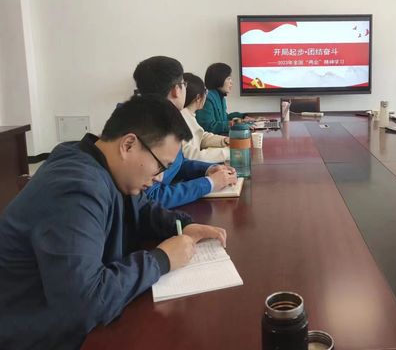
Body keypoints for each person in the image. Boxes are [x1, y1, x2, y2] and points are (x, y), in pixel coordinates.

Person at [0, 95, 228, 349]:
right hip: (37, 337)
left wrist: (184, 225)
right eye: (160, 166)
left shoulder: (102, 164)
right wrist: (161, 259)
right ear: (128, 145)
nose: (159, 178)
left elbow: (142, 209)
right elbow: (83, 304)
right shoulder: (74, 187)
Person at [133, 56, 237, 208]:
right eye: (184, 84)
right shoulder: (149, 132)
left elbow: (178, 164)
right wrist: (209, 183)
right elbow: (150, 198)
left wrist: (207, 169)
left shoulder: (166, 119)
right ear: (176, 90)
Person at [181, 72, 230, 163]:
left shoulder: (189, 114)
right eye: (205, 92)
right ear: (198, 98)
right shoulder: (181, 117)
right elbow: (190, 156)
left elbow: (201, 137)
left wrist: (224, 140)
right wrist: (227, 152)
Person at [195, 62, 252, 134]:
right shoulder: (207, 98)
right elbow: (208, 126)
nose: (231, 82)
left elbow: (224, 118)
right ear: (219, 79)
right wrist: (233, 124)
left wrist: (243, 116)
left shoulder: (220, 97)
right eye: (228, 79)